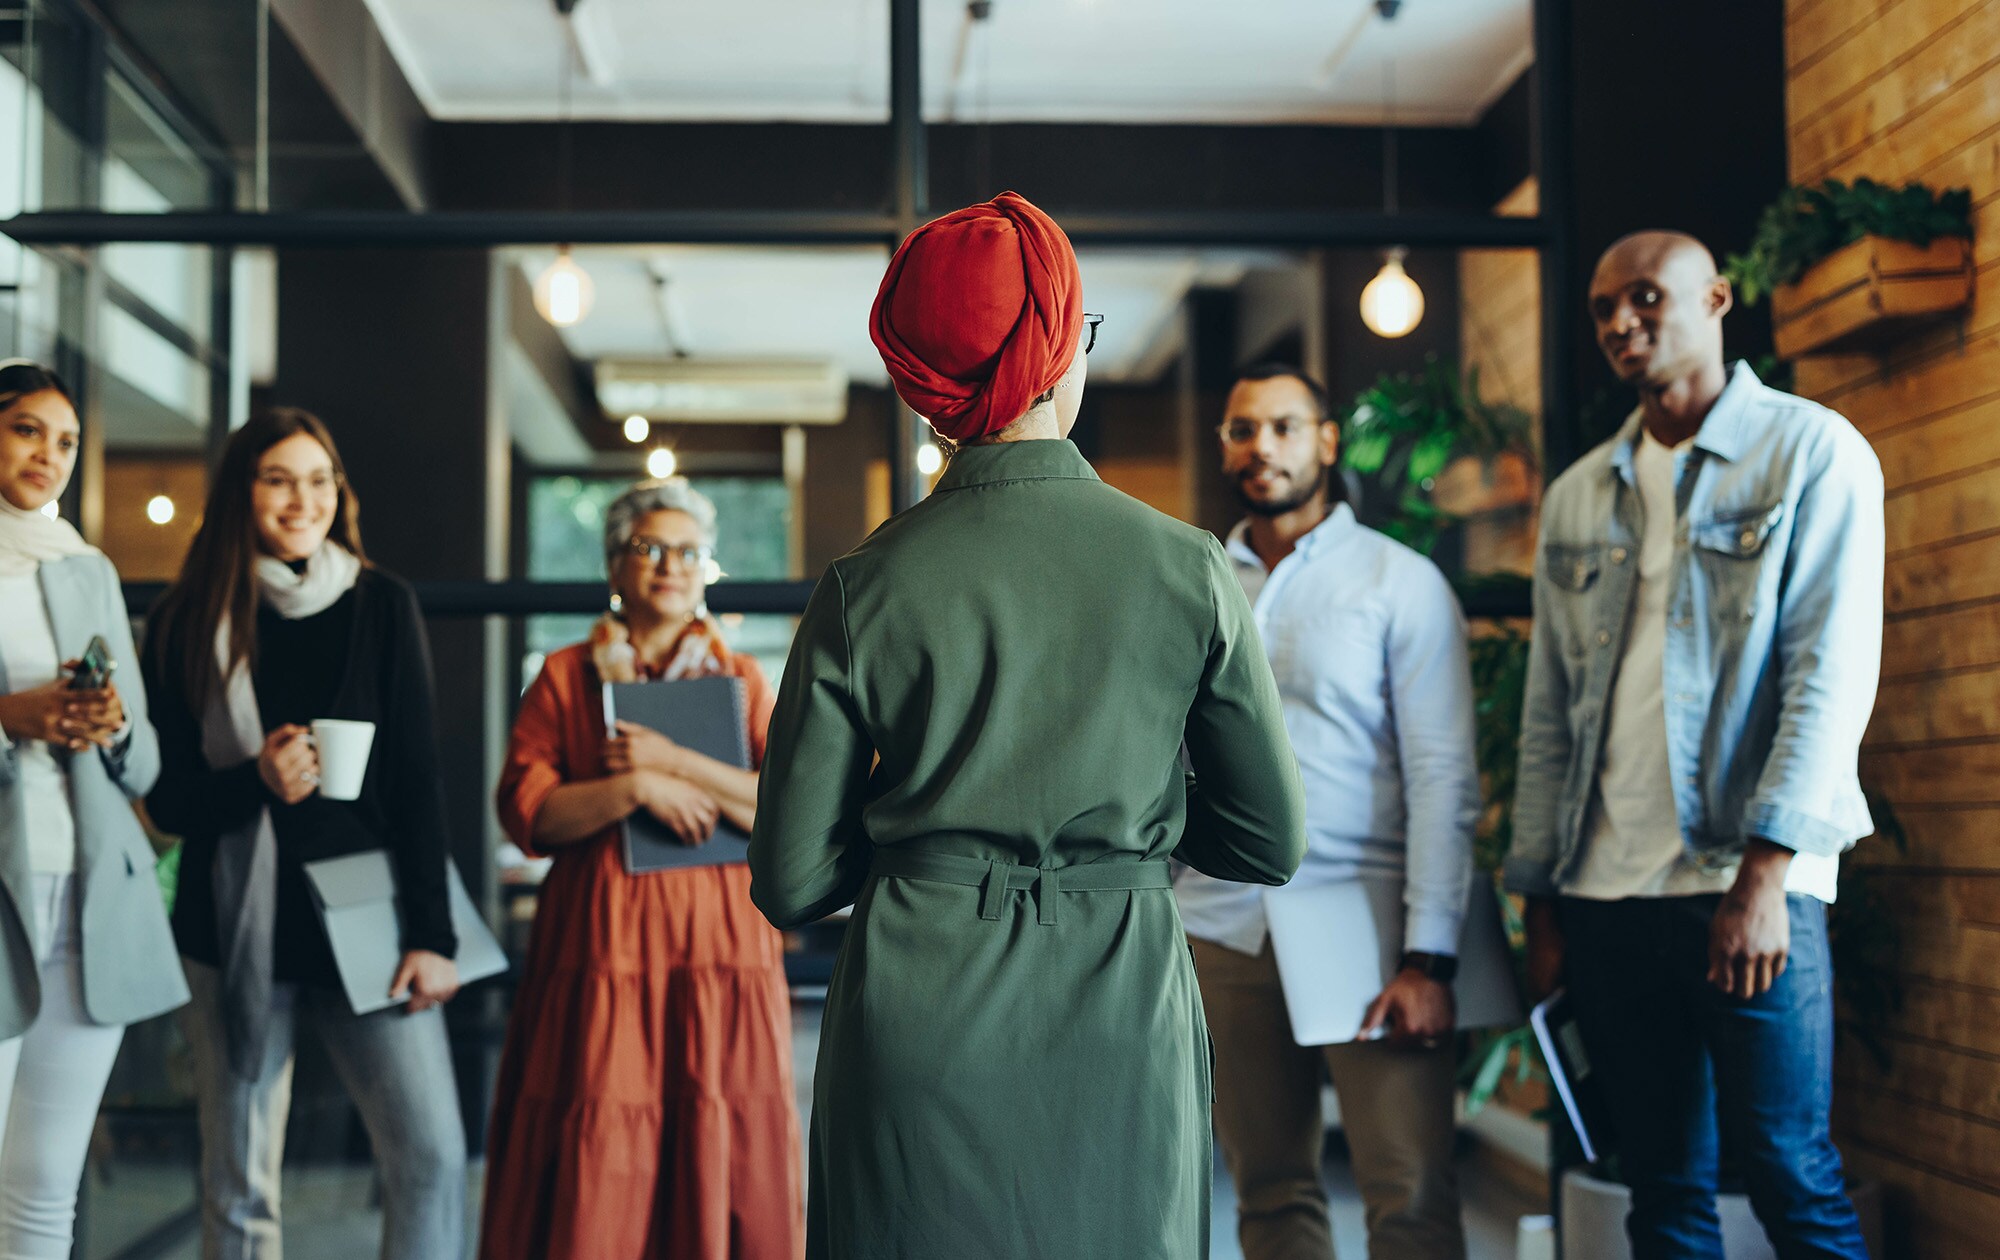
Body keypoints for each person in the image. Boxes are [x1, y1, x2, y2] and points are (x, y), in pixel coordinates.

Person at [749, 191, 1309, 1260]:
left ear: (928, 382)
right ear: (1055, 353)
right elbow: (1265, 842)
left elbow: (789, 880)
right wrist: (1132, 815)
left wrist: (923, 832)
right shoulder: (1187, 565)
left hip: (915, 1010)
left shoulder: (864, 584)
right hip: (1119, 1004)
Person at [1508, 231, 1880, 1258]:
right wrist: (1540, 898)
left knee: (1787, 1176)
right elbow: (1549, 708)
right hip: (1605, 897)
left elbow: (1826, 676)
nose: (1620, 323)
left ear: (1715, 299)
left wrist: (1765, 876)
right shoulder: (1581, 491)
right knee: (1660, 1188)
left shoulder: (1811, 450)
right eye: (1600, 310)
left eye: (1643, 298)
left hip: (1746, 886)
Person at [143, 408, 466, 1260]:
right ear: (241, 492)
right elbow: (168, 804)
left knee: (430, 1156)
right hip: (230, 925)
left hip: (368, 917)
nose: (303, 499)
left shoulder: (379, 604)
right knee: (239, 1182)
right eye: (279, 478)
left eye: (319, 479)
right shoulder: (186, 622)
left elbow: (417, 783)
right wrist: (256, 780)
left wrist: (434, 937)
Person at [1178, 363, 1478, 1260]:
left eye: (1282, 426)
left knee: (1411, 1194)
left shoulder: (1400, 580)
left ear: (1326, 440)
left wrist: (1431, 957)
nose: (1261, 447)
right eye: (1242, 429)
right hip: (1222, 926)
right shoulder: (1190, 579)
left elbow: (1443, 774)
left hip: (1367, 928)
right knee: (1266, 1191)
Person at [480, 478, 802, 1260]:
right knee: (603, 1120)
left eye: (689, 552)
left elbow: (783, 808)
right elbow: (529, 815)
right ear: (614, 566)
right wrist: (632, 787)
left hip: (721, 944)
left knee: (716, 1115)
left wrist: (673, 760)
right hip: (603, 943)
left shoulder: (742, 679)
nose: (670, 565)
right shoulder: (565, 676)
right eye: (648, 548)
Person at [0, 360, 186, 1257]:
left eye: (66, 440)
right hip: (4, 883)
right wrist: (8, 717)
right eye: (27, 429)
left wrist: (111, 726)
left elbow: (144, 761)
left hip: (88, 892)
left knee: (44, 1185)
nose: (50, 454)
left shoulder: (85, 566)